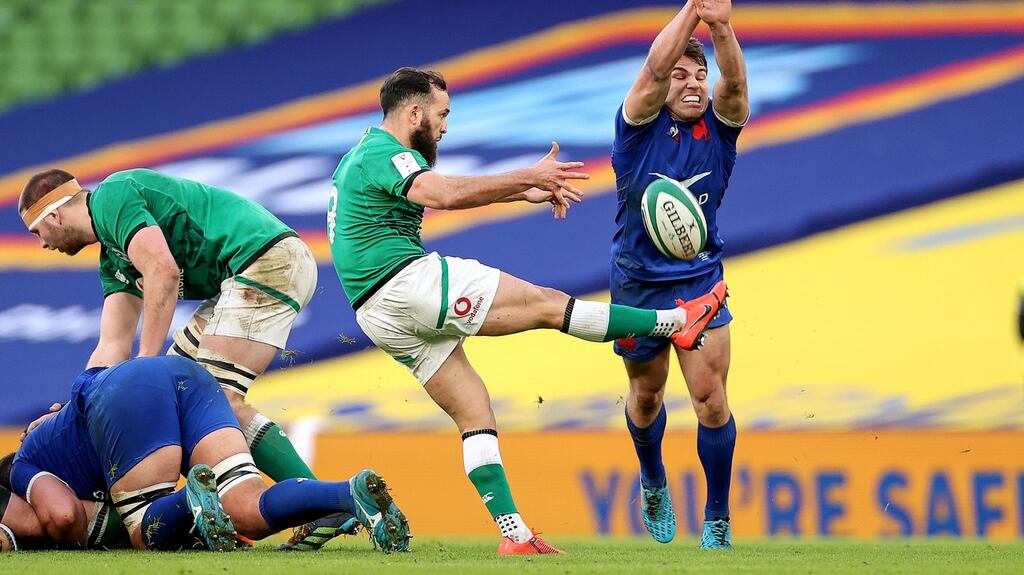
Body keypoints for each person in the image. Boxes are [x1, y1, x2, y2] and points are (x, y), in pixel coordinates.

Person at [327, 67, 728, 555]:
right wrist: (528, 176)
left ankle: (514, 535)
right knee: (548, 306)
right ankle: (677, 322)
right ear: (414, 112)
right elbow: (446, 195)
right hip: (406, 283)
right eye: (442, 114)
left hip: (374, 312)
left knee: (474, 410)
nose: (445, 128)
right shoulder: (383, 153)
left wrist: (523, 191)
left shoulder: (356, 160)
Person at [17, 168, 351, 548]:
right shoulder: (113, 258)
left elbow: (163, 270)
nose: (42, 244)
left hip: (263, 260)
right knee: (184, 401)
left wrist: (145, 367)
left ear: (55, 215)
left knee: (215, 404)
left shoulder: (112, 196)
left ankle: (323, 506)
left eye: (37, 231)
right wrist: (77, 409)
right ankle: (273, 509)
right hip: (246, 273)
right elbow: (111, 346)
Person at [5, 356, 411, 552]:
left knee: (144, 529)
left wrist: (63, 536)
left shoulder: (24, 464)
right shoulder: (54, 434)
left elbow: (61, 515)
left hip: (125, 396)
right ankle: (346, 495)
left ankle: (190, 499)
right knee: (247, 511)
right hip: (187, 375)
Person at [610, 0, 749, 549]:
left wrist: (721, 25)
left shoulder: (720, 130)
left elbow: (734, 84)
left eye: (701, 75)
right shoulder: (637, 131)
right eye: (682, 76)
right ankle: (653, 479)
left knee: (711, 399)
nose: (694, 84)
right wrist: (693, 10)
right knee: (646, 397)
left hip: (699, 280)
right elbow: (651, 68)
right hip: (638, 282)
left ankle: (716, 518)